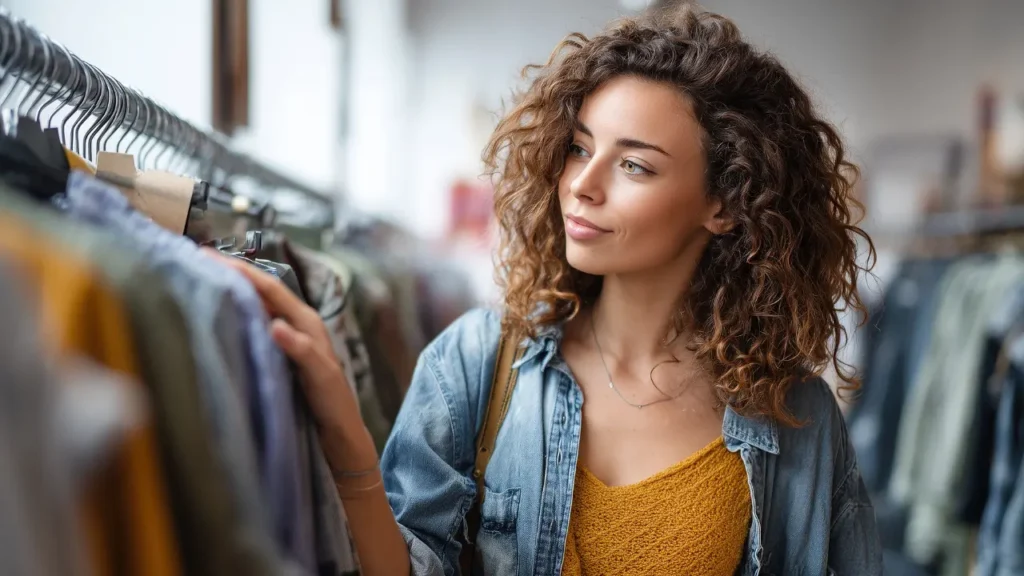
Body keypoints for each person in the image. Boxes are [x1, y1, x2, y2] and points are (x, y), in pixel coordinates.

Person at [219, 4, 882, 575]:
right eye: (579, 148)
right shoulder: (477, 362)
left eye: (633, 165)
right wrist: (348, 443)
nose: (582, 185)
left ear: (726, 203)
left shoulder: (797, 418)